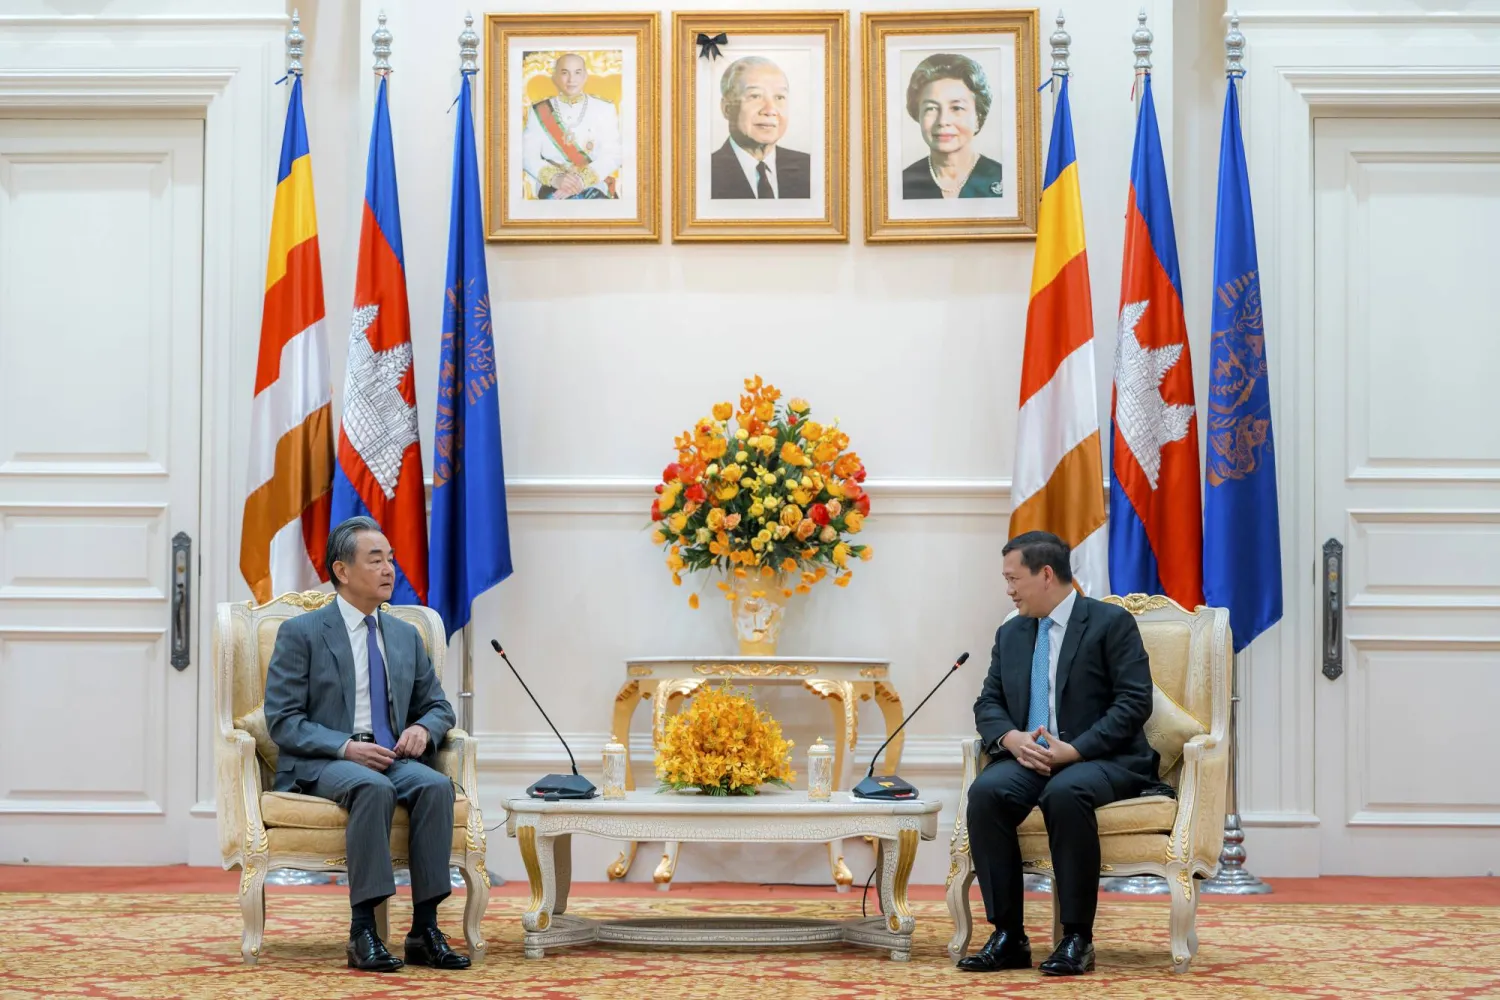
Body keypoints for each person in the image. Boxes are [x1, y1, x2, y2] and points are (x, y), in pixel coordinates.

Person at [264, 516, 468, 973]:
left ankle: (424, 929)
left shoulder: (403, 635)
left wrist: (424, 730)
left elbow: (438, 707)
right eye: (375, 559)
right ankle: (363, 932)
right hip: (324, 761)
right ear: (342, 570)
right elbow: (283, 721)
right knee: (372, 788)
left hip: (390, 754)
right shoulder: (303, 633)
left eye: (390, 559)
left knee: (435, 787)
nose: (389, 569)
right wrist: (344, 747)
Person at [958, 531, 1161, 977]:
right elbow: (987, 703)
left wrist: (1076, 749)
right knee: (986, 792)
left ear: (1045, 574)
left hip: (1102, 758)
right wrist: (1011, 739)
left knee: (1065, 794)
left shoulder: (1110, 623)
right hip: (1030, 757)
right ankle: (1009, 935)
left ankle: (1076, 938)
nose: (1008, 589)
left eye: (1013, 578)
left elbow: (1133, 703)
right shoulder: (1010, 633)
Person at [901, 53, 1004, 200]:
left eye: (956, 108)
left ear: (978, 116)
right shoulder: (903, 185)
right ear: (918, 114)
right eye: (931, 108)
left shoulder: (1004, 180)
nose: (943, 121)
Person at [521, 52, 622, 200]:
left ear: (585, 76)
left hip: (593, 186)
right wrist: (556, 179)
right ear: (555, 77)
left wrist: (582, 180)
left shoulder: (604, 108)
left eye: (577, 72)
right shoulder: (539, 110)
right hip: (551, 187)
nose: (571, 79)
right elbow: (527, 156)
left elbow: (613, 154)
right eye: (564, 73)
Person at [710, 55, 811, 199]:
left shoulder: (810, 168)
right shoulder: (703, 174)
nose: (770, 110)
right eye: (755, 96)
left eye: (779, 97)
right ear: (727, 108)